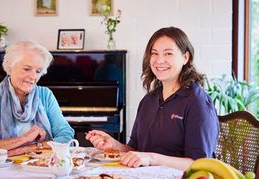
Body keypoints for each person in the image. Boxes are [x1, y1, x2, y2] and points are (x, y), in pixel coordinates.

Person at [86, 27, 220, 170]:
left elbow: (200, 164)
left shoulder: (197, 101)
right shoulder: (148, 100)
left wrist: (153, 158)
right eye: (154, 53)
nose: (159, 60)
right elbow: (135, 149)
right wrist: (114, 146)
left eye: (168, 53)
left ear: (185, 57)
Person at [0, 40, 74, 158]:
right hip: (4, 168)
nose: (33, 76)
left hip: (42, 165)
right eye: (27, 69)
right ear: (10, 66)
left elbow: (66, 136)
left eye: (38, 71)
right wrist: (24, 139)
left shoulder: (46, 95)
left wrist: (29, 149)